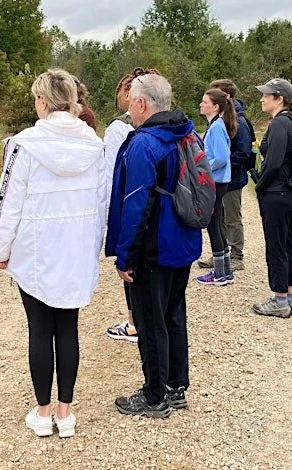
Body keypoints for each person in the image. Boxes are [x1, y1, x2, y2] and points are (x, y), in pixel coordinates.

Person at [0, 69, 107, 438]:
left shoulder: (24, 144)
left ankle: (43, 413)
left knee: (40, 330)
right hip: (74, 246)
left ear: (42, 101)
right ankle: (66, 411)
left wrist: (1, 248)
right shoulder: (94, 144)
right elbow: (101, 202)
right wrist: (94, 245)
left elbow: (8, 202)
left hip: (35, 249)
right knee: (68, 327)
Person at [106, 73, 201, 418]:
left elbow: (135, 204)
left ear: (142, 103)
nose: (128, 107)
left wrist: (124, 254)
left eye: (131, 100)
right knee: (174, 314)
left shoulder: (144, 143)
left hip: (153, 248)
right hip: (184, 241)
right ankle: (176, 387)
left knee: (149, 321)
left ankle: (154, 396)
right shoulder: (187, 132)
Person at [103, 67, 161, 344]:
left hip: (131, 208)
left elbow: (112, 173)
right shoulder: (162, 130)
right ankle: (140, 321)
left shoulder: (119, 130)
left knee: (130, 268)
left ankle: (133, 322)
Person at [250, 78, 292, 318]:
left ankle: (279, 300)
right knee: (289, 245)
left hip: (280, 194)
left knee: (276, 247)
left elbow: (274, 163)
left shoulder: (279, 124)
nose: (262, 98)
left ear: (279, 98)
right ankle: (290, 298)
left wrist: (260, 186)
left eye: (266, 95)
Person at [197, 79, 256, 273]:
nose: (202, 103)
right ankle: (221, 257)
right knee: (218, 220)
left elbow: (240, 152)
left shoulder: (237, 121)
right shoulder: (220, 121)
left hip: (231, 179)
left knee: (231, 218)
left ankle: (236, 256)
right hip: (222, 178)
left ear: (224, 99)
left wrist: (207, 168)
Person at [195, 88, 237, 286]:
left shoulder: (217, 127)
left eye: (204, 102)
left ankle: (219, 273)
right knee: (217, 223)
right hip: (219, 182)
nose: (201, 105)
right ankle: (225, 270)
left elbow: (220, 157)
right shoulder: (216, 125)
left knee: (213, 225)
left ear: (215, 106)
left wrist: (202, 170)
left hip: (216, 182)